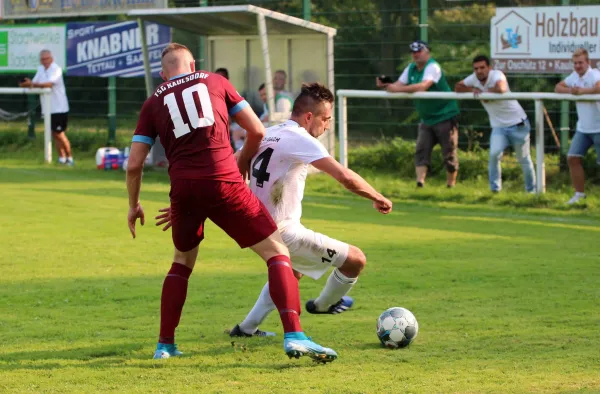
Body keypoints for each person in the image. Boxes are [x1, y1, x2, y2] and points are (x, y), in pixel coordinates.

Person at [126, 43, 337, 363]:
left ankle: (164, 345)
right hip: (225, 182)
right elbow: (255, 130)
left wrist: (134, 204)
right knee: (277, 252)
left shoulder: (152, 103)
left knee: (181, 261)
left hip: (183, 190)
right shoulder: (215, 81)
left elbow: (133, 164)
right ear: (194, 63)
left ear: (162, 73)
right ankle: (294, 335)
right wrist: (234, 169)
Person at [225, 83, 393, 337]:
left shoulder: (270, 132)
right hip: (283, 231)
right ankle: (323, 305)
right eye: (325, 119)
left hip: (258, 227)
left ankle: (246, 329)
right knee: (355, 260)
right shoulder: (301, 138)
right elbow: (344, 176)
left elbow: (231, 166)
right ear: (308, 117)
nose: (327, 126)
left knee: (291, 274)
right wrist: (376, 195)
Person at [376, 40, 460, 188]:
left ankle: (450, 185)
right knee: (421, 149)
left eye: (419, 51)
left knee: (449, 152)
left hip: (444, 116)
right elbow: (398, 85)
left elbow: (422, 87)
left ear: (427, 52)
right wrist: (387, 85)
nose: (416, 54)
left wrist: (396, 89)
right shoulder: (411, 68)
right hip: (427, 118)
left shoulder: (432, 66)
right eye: (413, 52)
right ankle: (420, 183)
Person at [455, 55, 536, 193]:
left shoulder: (497, 75)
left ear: (489, 68)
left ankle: (532, 192)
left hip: (518, 124)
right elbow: (457, 87)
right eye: (476, 68)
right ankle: (495, 191)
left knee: (523, 158)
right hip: (498, 127)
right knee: (494, 154)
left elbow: (501, 88)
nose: (479, 71)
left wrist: (484, 93)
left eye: (482, 67)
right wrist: (472, 90)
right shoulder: (474, 79)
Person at [555, 49, 600, 205]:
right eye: (575, 63)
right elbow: (558, 87)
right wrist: (571, 91)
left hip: (599, 127)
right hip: (583, 128)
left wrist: (582, 92)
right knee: (573, 158)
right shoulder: (574, 76)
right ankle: (579, 195)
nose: (578, 66)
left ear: (588, 62)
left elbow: (599, 86)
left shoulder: (594, 74)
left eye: (581, 62)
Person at [19, 49, 73, 165]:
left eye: (46, 59)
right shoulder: (40, 69)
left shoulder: (56, 69)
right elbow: (35, 84)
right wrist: (27, 84)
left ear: (51, 59)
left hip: (59, 107)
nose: (44, 62)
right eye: (42, 60)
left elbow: (49, 84)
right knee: (54, 134)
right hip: (47, 108)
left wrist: (32, 84)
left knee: (59, 133)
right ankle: (61, 158)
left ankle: (70, 158)